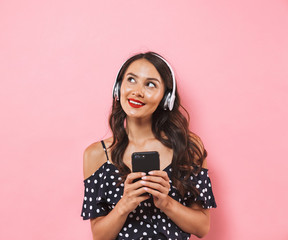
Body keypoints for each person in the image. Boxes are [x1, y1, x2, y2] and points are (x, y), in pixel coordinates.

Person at [81, 52, 217, 240]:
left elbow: (202, 227)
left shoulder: (188, 147)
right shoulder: (96, 154)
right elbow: (99, 236)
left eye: (150, 84)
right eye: (131, 80)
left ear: (166, 97)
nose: (137, 91)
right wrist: (125, 204)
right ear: (118, 88)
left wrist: (166, 202)